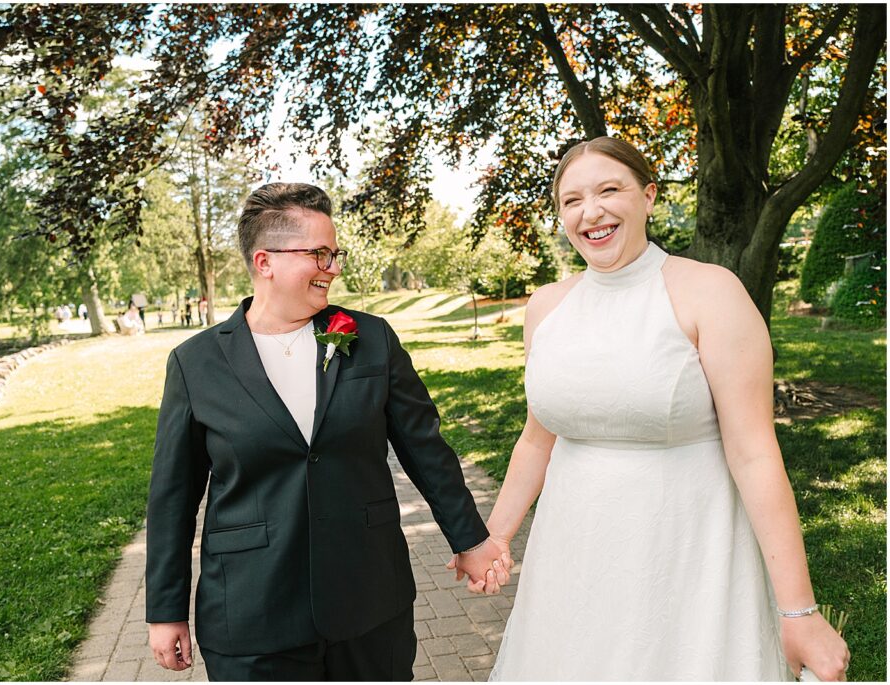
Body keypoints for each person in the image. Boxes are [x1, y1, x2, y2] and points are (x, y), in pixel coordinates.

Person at [480, 137, 850, 681]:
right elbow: (538, 439)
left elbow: (755, 455)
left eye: (610, 190)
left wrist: (799, 612)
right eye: (572, 200)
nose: (592, 212)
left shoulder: (710, 292)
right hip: (572, 559)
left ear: (648, 196)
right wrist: (496, 536)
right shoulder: (546, 308)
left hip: (686, 556)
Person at [145, 182, 510, 681]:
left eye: (334, 253)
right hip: (253, 614)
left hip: (369, 602)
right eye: (318, 254)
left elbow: (426, 450)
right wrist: (165, 610)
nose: (333, 267)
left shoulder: (372, 338)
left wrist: (471, 541)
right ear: (264, 261)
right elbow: (173, 496)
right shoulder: (195, 363)